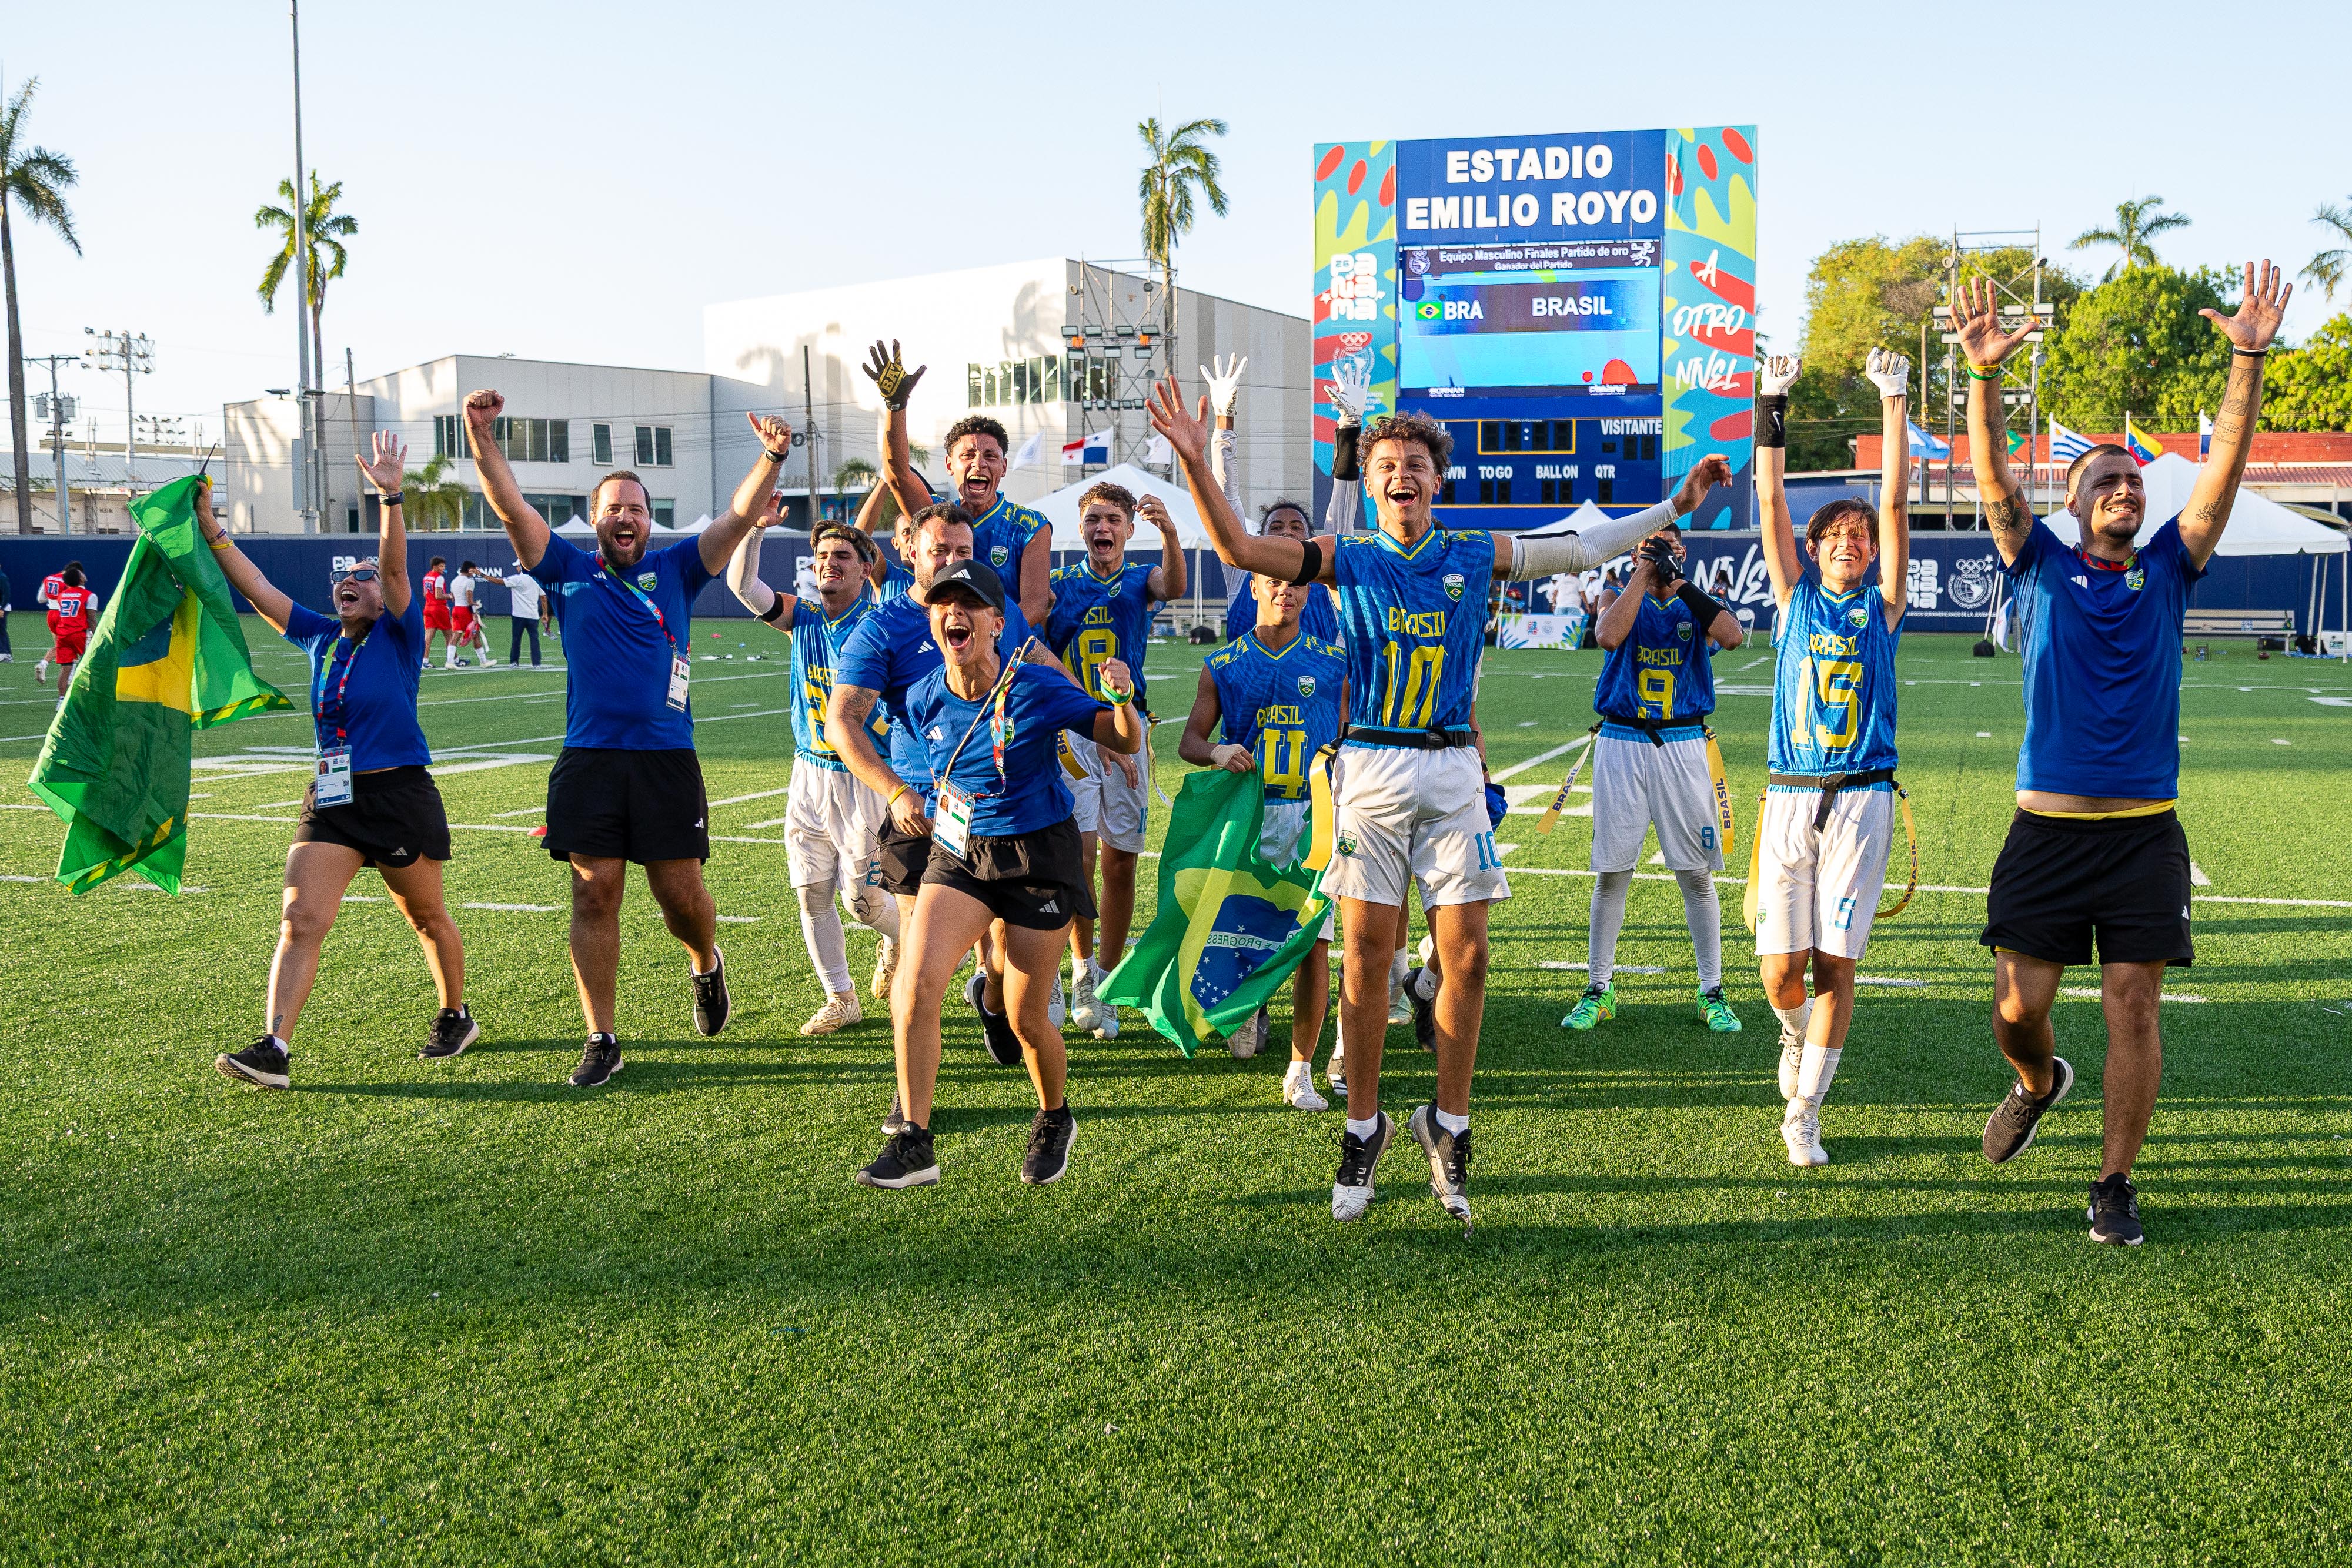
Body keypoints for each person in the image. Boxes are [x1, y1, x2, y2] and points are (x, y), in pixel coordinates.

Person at [1152, 369, 1730, 1225]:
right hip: (1375, 772)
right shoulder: (1346, 558)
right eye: (1386, 460)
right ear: (1372, 475)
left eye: (1416, 460)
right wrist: (1200, 462)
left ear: (1437, 477)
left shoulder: (1472, 550)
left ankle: (1447, 1124)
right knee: (1368, 959)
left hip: (1455, 766)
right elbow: (1240, 550)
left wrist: (1675, 503)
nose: (1401, 472)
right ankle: (1363, 1127)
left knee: (1466, 957)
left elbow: (1581, 550)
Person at [1957, 262, 2291, 1246]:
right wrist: (1981, 380)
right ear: (2072, 505)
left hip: (2145, 835)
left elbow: (2223, 470)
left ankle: (2112, 1181)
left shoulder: (2169, 568)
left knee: (2133, 1007)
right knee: (2018, 1012)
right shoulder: (2039, 561)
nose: (2124, 487)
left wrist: (2247, 358)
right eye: (2104, 479)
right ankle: (2034, 1080)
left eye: (2133, 480)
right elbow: (1991, 483)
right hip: (2046, 831)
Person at [467, 389, 789, 1087]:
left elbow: (737, 518)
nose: (625, 516)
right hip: (588, 760)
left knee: (681, 898)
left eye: (636, 508)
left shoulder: (677, 568)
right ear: (594, 518)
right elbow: (509, 506)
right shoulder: (565, 568)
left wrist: (771, 455)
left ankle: (705, 962)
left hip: (666, 761)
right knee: (594, 894)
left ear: (650, 521)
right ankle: (602, 1036)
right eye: (613, 507)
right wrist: (481, 436)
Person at [853, 559, 1145, 1190]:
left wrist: (1123, 704)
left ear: (995, 622)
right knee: (916, 984)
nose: (953, 612)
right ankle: (914, 1144)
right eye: (942, 604)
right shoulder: (923, 694)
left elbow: (1119, 739)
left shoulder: (1035, 687)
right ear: (933, 623)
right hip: (961, 854)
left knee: (1026, 1018)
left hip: (1037, 855)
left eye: (969, 603)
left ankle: (1053, 1116)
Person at [206, 433, 476, 1088]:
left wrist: (389, 496)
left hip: (398, 795)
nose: (348, 585)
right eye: (341, 580)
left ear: (382, 596)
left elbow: (395, 566)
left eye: (361, 579)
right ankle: (274, 1046)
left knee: (426, 916)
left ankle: (454, 1013)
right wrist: (212, 529)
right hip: (332, 799)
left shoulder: (401, 633)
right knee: (301, 917)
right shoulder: (317, 637)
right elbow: (256, 583)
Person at [828, 503, 1061, 1086]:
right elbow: (842, 722)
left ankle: (992, 997)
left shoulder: (991, 611)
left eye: (964, 552)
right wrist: (894, 791)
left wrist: (1102, 728)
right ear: (909, 549)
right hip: (924, 816)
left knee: (1007, 950)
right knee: (919, 961)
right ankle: (909, 1101)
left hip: (1002, 812)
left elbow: (1045, 668)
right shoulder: (882, 628)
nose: (954, 562)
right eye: (941, 551)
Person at [1750, 347, 1913, 1168]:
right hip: (1789, 794)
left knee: (1835, 965)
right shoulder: (1794, 595)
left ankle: (1806, 1109)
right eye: (1836, 534)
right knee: (1784, 975)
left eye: (1860, 535)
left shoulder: (1886, 607)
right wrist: (1772, 395)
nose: (1851, 539)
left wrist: (1894, 401)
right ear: (1814, 550)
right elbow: (1772, 492)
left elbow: (1892, 497)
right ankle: (1793, 1029)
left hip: (1863, 797)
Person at [1559, 529, 1747, 1037]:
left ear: (1683, 554)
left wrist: (1680, 582)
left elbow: (1733, 636)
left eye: (1667, 547)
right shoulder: (1616, 597)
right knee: (1613, 872)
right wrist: (1643, 573)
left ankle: (1712, 989)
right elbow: (1608, 636)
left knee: (1696, 875)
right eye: (1651, 546)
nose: (1661, 554)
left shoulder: (1698, 602)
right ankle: (1599, 988)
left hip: (1683, 742)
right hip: (1623, 741)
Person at [726, 512, 901, 1036]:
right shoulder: (801, 616)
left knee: (864, 903)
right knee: (811, 892)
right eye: (822, 556)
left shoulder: (880, 624)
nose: (829, 564)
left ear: (865, 567)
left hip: (864, 776)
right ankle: (840, 997)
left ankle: (902, 936)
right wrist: (755, 528)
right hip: (808, 772)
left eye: (842, 556)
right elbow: (741, 584)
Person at [1181, 570, 1349, 1108]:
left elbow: (1350, 740)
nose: (1286, 591)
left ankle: (1300, 1069)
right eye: (1272, 581)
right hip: (1249, 822)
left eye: (1297, 584)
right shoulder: (1225, 664)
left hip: (1312, 821)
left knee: (1312, 944)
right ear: (1252, 587)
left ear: (1310, 592)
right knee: (1239, 929)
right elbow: (1189, 740)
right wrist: (1217, 752)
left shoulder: (1332, 662)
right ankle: (1246, 1004)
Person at [1045, 480, 1185, 1039]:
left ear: (1130, 529)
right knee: (1078, 854)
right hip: (1074, 732)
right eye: (1094, 520)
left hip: (1130, 728)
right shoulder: (1058, 585)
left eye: (1113, 520)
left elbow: (1172, 583)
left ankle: (1106, 979)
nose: (1102, 529)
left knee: (1121, 861)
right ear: (1081, 528)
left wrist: (1171, 532)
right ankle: (1080, 970)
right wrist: (1087, 719)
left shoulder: (1138, 580)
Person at [864, 339, 1053, 626]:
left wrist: (986, 639)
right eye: (968, 455)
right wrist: (896, 405)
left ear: (1003, 467)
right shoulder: (936, 517)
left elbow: (1036, 605)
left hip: (1009, 655)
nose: (979, 463)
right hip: (949, 649)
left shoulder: (1030, 526)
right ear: (950, 465)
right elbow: (897, 474)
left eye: (991, 456)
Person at [1204, 354, 1345, 643]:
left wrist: (1349, 426)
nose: (1287, 533)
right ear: (1260, 538)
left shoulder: (1329, 581)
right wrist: (1224, 419)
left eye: (1296, 527)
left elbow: (1340, 510)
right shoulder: (1243, 576)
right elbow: (1226, 498)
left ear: (1314, 539)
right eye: (1276, 528)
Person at [43, 564, 96, 698]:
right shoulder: (89, 596)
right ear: (80, 579)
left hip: (63, 634)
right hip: (79, 634)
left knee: (65, 669)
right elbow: (92, 621)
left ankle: (61, 699)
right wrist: (96, 636)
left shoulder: (62, 596)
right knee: (89, 663)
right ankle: (87, 695)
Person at [490, 561, 547, 667]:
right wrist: (545, 613)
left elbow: (498, 581)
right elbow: (543, 597)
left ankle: (514, 662)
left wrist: (482, 575)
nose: (516, 569)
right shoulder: (537, 579)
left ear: (521, 567)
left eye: (517, 567)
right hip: (533, 615)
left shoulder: (517, 579)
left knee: (516, 639)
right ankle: (536, 663)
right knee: (534, 639)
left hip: (519, 615)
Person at [447, 561, 495, 668]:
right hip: (465, 611)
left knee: (455, 635)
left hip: (456, 609)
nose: (474, 573)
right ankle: (484, 661)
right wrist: (475, 608)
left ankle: (449, 662)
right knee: (476, 635)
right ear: (470, 570)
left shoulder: (454, 581)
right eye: (473, 570)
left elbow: (453, 598)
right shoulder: (469, 581)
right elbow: (469, 600)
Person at [419, 557, 454, 670]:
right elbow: (438, 596)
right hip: (438, 608)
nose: (443, 568)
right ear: (434, 566)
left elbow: (425, 594)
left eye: (444, 566)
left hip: (428, 607)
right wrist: (450, 596)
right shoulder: (439, 578)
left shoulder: (426, 577)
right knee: (449, 636)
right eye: (441, 566)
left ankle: (424, 661)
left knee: (428, 637)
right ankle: (452, 660)